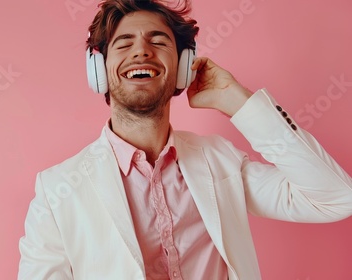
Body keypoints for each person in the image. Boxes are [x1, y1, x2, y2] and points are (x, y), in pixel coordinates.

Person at [18, 0, 352, 279]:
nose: (142, 52)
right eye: (124, 43)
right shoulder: (56, 191)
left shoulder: (220, 160)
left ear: (183, 66)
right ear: (98, 69)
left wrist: (238, 102)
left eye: (158, 41)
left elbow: (335, 198)